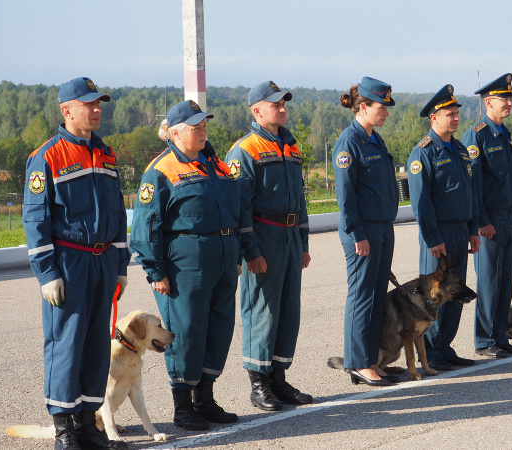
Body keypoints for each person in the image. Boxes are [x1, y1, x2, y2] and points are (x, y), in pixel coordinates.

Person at [23, 76, 129, 449]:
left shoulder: (107, 153)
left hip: (102, 261)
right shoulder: (47, 156)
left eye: (99, 103)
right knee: (65, 345)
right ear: (67, 110)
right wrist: (47, 273)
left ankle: (87, 424)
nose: (97, 110)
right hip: (69, 262)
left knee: (96, 344)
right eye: (89, 104)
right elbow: (36, 219)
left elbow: (117, 211)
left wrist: (120, 263)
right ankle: (65, 430)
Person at [130, 100, 241, 431]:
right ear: (175, 132)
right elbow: (146, 226)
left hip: (222, 256)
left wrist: (234, 256)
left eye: (205, 125)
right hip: (185, 261)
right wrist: (156, 271)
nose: (203, 131)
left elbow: (234, 211)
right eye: (196, 127)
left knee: (218, 329)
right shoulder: (161, 170)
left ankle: (204, 400)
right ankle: (183, 406)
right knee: (187, 332)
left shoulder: (215, 164)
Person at [226, 80, 312, 411]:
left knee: (288, 309)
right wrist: (251, 251)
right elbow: (240, 208)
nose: (283, 107)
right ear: (257, 110)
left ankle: (278, 378)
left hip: (290, 238)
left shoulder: (290, 147)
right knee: (262, 309)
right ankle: (258, 382)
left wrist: (303, 241)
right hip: (264, 236)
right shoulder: (244, 150)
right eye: (276, 103)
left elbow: (300, 200)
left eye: (284, 102)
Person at [407, 84, 480, 371]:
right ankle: (433, 352)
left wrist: (473, 229)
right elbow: (421, 202)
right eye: (450, 114)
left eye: (456, 113)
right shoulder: (423, 153)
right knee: (435, 296)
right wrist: (433, 237)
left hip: (461, 230)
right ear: (434, 118)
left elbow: (469, 193)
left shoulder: (460, 149)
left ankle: (445, 347)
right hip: (440, 235)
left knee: (455, 290)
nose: (456, 118)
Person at [333, 77, 398, 386]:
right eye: (381, 107)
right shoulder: (349, 142)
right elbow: (345, 196)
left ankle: (370, 359)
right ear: (363, 107)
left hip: (382, 227)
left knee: (375, 297)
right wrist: (356, 232)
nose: (386, 112)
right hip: (362, 231)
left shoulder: (374, 140)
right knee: (362, 297)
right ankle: (358, 362)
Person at [461, 73, 512, 358]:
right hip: (488, 220)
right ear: (488, 102)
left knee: (505, 279)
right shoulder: (477, 135)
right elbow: (474, 186)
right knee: (488, 280)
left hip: (506, 216)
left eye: (511, 97)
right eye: (504, 98)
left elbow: (511, 178)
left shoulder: (504, 134)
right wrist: (482, 220)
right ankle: (484, 339)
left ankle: (500, 336)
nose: (510, 102)